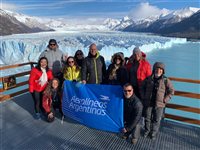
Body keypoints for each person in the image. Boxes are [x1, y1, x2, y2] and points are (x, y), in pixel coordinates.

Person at [141, 62, 174, 140]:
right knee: (147, 118)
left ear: (163, 71)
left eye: (160, 69)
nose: (158, 70)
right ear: (154, 69)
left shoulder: (166, 80)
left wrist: (165, 99)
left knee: (156, 120)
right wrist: (143, 96)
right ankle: (147, 131)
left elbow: (171, 91)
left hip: (159, 104)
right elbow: (142, 87)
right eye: (157, 68)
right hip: (148, 102)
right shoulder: (149, 78)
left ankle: (153, 133)